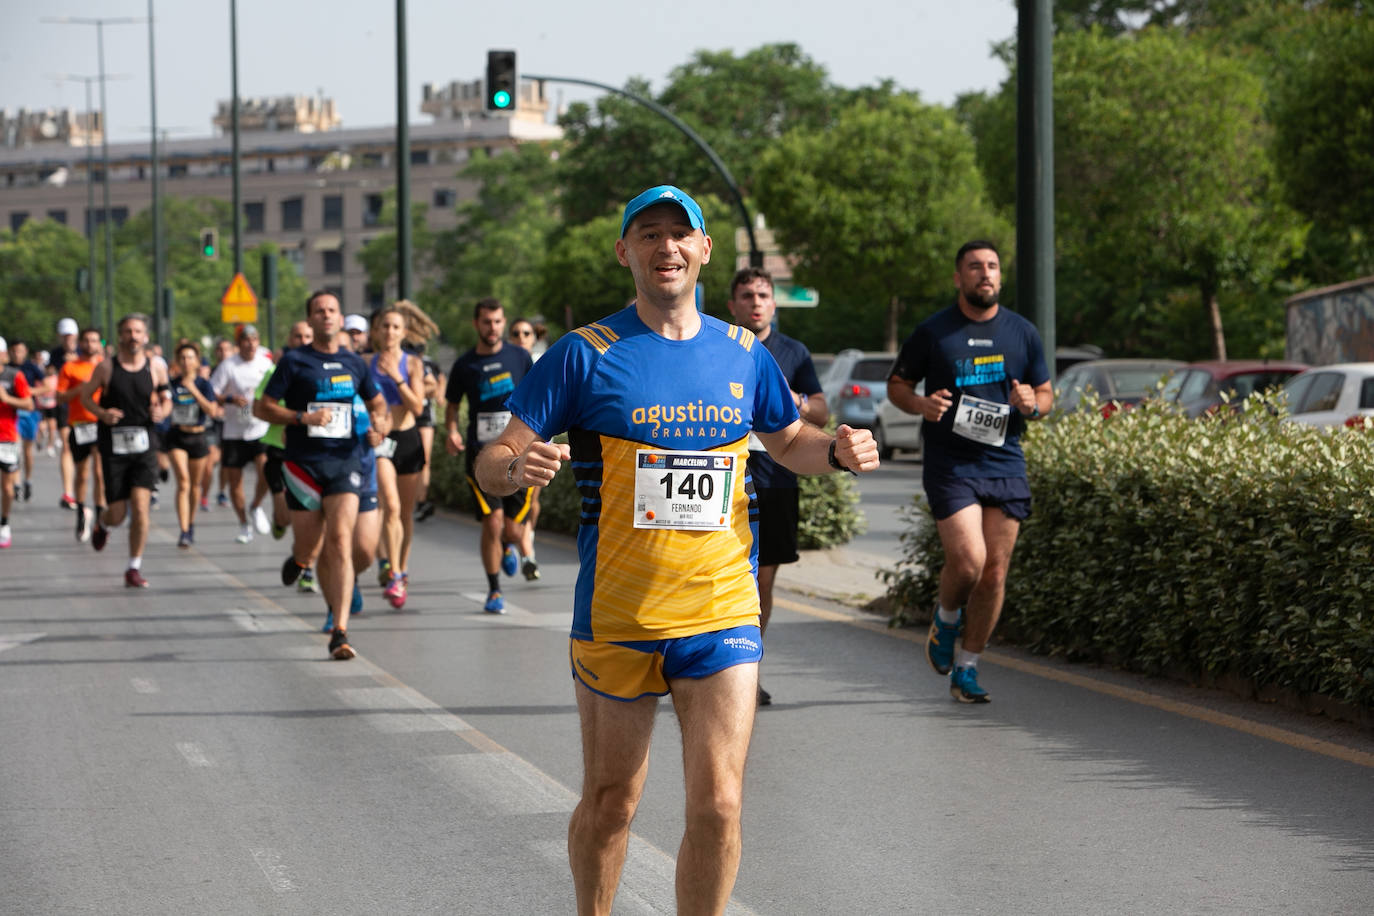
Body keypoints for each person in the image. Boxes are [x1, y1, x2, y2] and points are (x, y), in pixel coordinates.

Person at [476, 185, 879, 915]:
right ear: (625, 251)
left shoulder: (743, 352)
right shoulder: (583, 354)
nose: (666, 247)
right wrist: (513, 468)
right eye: (649, 234)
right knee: (610, 804)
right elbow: (495, 456)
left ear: (703, 250)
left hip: (721, 606)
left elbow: (791, 442)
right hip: (619, 613)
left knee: (720, 806)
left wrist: (841, 451)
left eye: (680, 234)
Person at [885, 240, 1053, 704]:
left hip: (1004, 460)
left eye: (993, 266)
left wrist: (1031, 405)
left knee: (995, 574)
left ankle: (968, 667)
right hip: (951, 463)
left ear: (1001, 276)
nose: (985, 273)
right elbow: (898, 384)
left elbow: (1045, 393)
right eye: (975, 267)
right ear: (959, 277)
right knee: (969, 561)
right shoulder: (935, 332)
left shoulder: (1022, 332)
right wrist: (920, 403)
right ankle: (946, 617)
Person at [255, 291, 390, 660]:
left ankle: (340, 631)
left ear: (340, 317)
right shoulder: (294, 362)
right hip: (303, 465)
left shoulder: (355, 363)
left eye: (332, 309)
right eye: (319, 311)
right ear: (310, 320)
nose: (326, 315)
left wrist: (381, 426)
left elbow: (379, 406)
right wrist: (301, 418)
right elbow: (261, 407)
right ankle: (300, 561)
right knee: (309, 546)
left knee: (344, 541)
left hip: (345, 462)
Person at [725, 267, 829, 706]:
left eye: (763, 295)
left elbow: (820, 410)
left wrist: (798, 402)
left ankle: (747, 671)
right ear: (733, 305)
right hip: (726, 478)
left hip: (777, 478)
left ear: (773, 303)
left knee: (761, 582)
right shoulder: (718, 346)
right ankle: (711, 668)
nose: (755, 302)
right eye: (746, 295)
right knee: (723, 577)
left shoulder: (793, 351)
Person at [445, 297, 537, 614]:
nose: (493, 327)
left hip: (519, 453)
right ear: (476, 324)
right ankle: (495, 590)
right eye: (486, 322)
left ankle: (510, 545)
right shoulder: (464, 365)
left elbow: (538, 397)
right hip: (481, 456)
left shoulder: (520, 357)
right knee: (492, 522)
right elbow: (453, 406)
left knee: (511, 530)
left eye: (498, 321)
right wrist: (452, 431)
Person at [78, 314, 172, 587]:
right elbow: (86, 398)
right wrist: (102, 413)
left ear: (145, 336)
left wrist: (160, 412)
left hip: (144, 446)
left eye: (138, 331)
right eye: (128, 331)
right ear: (120, 335)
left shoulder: (155, 368)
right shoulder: (106, 368)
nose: (133, 336)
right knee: (118, 514)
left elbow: (167, 401)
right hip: (114, 448)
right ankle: (103, 524)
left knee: (141, 509)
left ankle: (133, 567)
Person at [369, 303, 429, 609]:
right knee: (389, 507)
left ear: (403, 332)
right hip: (381, 443)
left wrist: (397, 377)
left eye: (395, 327)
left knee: (404, 513)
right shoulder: (367, 363)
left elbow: (418, 408)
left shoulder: (413, 364)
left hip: (408, 440)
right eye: (385, 326)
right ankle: (392, 572)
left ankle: (401, 571)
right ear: (377, 331)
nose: (390, 331)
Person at [210, 325, 275, 543]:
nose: (250, 344)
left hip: (259, 427)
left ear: (258, 342)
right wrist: (230, 400)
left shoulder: (265, 364)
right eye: (246, 340)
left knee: (266, 470)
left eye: (254, 339)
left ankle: (256, 505)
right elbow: (213, 392)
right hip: (234, 430)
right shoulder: (229, 366)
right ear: (239, 343)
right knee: (235, 482)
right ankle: (244, 524)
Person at [165, 343, 221, 548]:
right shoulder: (171, 384)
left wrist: (193, 390)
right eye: (182, 358)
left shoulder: (204, 384)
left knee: (195, 485)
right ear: (177, 362)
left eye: (190, 358)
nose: (186, 362)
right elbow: (164, 405)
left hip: (198, 437)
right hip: (177, 436)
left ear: (197, 361)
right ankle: (184, 530)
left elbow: (212, 411)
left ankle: (191, 522)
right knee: (183, 482)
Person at [56, 327, 106, 541]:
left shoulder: (105, 366)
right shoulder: (70, 367)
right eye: (86, 340)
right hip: (79, 425)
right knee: (83, 473)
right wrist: (80, 389)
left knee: (99, 471)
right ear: (80, 343)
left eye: (94, 340)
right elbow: (59, 398)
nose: (90, 344)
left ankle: (100, 517)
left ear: (100, 343)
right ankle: (81, 512)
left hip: (100, 423)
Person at [0, 337, 36, 549]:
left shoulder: (14, 376)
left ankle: (4, 522)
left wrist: (7, 399)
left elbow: (29, 403)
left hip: (6, 437)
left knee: (7, 486)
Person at [9, 341, 45, 503]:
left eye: (21, 351)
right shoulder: (7, 368)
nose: (18, 354)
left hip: (30, 411)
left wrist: (28, 391)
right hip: (12, 413)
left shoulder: (31, 367)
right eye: (15, 351)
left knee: (27, 451)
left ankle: (28, 480)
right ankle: (16, 483)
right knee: (14, 448)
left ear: (25, 352)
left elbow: (46, 386)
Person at [51, 317, 81, 509]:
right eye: (64, 336)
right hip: (65, 406)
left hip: (86, 407)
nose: (68, 339)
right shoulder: (55, 355)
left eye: (70, 336)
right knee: (68, 446)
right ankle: (68, 492)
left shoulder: (84, 352)